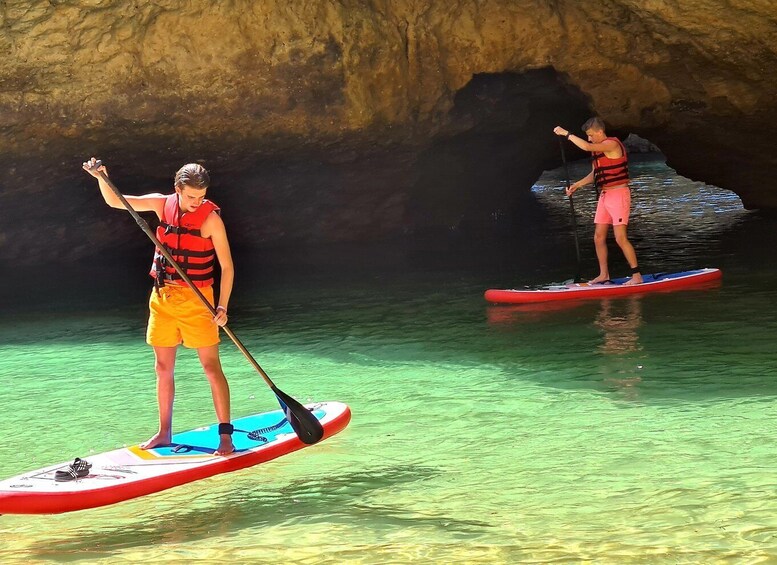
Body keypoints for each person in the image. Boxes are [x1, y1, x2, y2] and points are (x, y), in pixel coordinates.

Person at [82, 157, 235, 456]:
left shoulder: (211, 219)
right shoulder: (160, 204)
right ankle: (164, 432)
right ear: (177, 189)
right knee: (162, 367)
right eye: (191, 196)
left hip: (198, 300)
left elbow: (227, 268)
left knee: (210, 367)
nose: (196, 202)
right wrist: (102, 177)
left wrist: (223, 307)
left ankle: (225, 435)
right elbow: (117, 201)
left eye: (201, 197)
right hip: (162, 298)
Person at [554, 117, 643, 285]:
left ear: (600, 132)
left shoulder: (612, 145)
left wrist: (566, 134)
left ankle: (636, 275)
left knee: (620, 238)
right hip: (605, 196)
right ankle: (604, 275)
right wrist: (576, 185)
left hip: (618, 195)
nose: (589, 139)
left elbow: (587, 146)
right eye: (587, 136)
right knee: (598, 237)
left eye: (590, 135)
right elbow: (596, 174)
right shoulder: (597, 150)